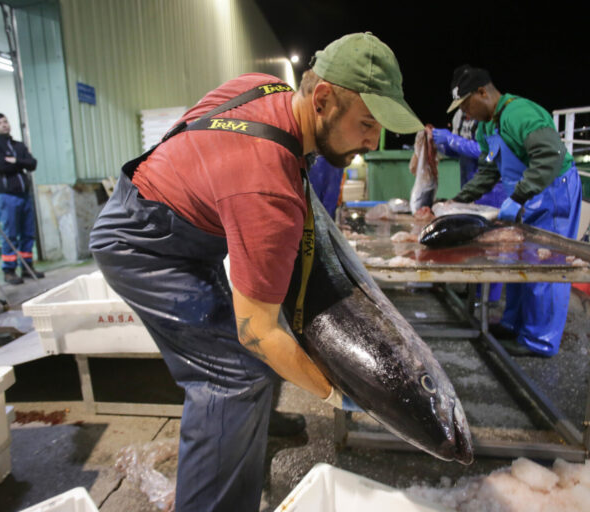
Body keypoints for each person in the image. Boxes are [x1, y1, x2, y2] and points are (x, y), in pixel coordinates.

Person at [89, 32, 423, 511]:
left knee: (259, 348)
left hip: (166, 214)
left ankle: (250, 426)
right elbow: (257, 332)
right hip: (144, 248)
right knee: (234, 375)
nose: (373, 141)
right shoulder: (268, 192)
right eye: (367, 123)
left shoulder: (265, 87)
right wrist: (337, 393)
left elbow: (195, 139)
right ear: (323, 99)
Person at [445, 65, 582, 357]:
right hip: (526, 196)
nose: (466, 113)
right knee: (521, 260)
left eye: (466, 104)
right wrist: (459, 200)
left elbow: (550, 155)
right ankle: (513, 324)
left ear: (482, 92)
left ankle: (539, 340)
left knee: (547, 264)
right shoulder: (487, 126)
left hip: (554, 191)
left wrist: (518, 196)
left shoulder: (519, 113)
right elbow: (488, 170)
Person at [432, 110, 507, 303]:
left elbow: (485, 152)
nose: (464, 108)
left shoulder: (489, 117)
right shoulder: (458, 116)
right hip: (469, 183)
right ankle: (473, 291)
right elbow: (458, 151)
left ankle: (488, 299)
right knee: (471, 242)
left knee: (491, 245)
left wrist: (452, 140)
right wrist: (443, 144)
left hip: (493, 190)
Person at [0, 112, 43, 284]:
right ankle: (9, 270)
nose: (3, 125)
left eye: (5, 122)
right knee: (10, 234)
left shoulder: (18, 145)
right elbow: (0, 165)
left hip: (24, 194)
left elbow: (32, 164)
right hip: (7, 196)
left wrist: (15, 160)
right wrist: (20, 162)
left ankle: (27, 267)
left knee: (27, 233)